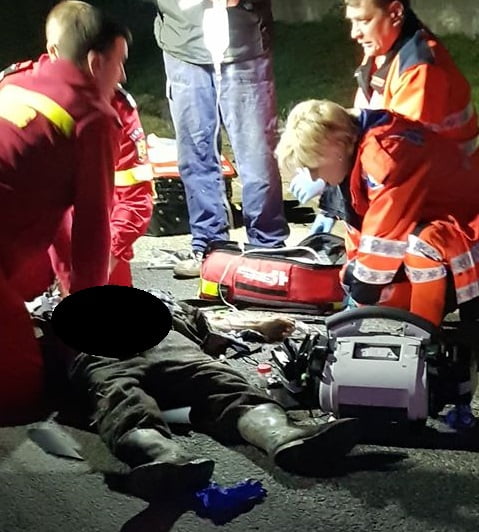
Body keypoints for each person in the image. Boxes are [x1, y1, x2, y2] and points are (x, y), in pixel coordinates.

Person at [0, 0, 131, 423]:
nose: (122, 76)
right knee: (20, 389)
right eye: (118, 63)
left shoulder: (18, 80)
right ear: (95, 62)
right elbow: (93, 229)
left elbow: (58, 209)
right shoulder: (92, 118)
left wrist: (69, 289)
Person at [275, 99, 479, 328]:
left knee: (420, 247)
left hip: (468, 227)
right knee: (367, 280)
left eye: (313, 168)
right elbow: (363, 226)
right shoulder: (354, 145)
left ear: (337, 147)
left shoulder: (385, 156)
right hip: (445, 224)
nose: (313, 177)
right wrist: (353, 279)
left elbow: (385, 230)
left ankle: (423, 331)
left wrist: (363, 287)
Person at [293, 0, 479, 231]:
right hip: (424, 191)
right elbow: (357, 129)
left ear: (395, 12)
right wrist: (331, 198)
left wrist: (330, 179)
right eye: (353, 21)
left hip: (447, 207)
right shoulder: (382, 51)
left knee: (389, 246)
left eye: (364, 21)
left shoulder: (419, 71)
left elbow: (393, 159)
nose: (354, 33)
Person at [152, 0, 290, 278]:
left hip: (244, 44)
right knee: (195, 155)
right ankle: (209, 247)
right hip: (182, 45)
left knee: (257, 155)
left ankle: (267, 249)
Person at [49, 85, 154, 289]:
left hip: (99, 247)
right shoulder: (15, 95)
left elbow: (136, 198)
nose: (122, 75)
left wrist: (102, 264)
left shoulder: (117, 107)